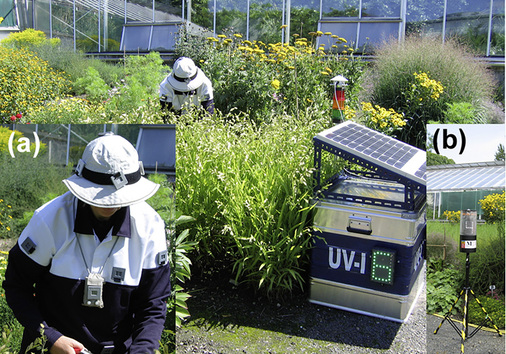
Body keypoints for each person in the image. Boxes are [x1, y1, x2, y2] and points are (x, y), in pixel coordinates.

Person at [3, 133, 171, 354]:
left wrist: (142, 350)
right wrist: (50, 337)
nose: (110, 205)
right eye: (100, 197)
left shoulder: (150, 226)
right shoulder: (50, 220)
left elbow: (153, 302)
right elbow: (17, 286)